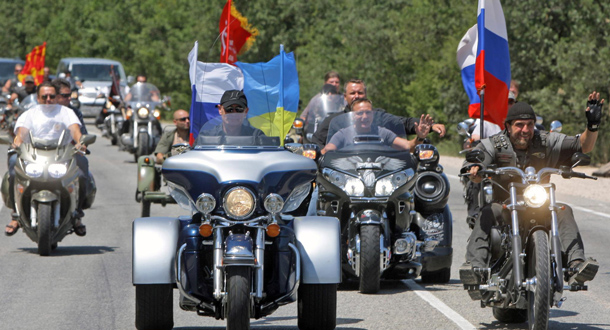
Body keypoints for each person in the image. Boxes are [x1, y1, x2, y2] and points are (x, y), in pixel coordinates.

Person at [459, 94, 604, 288]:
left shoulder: (546, 141)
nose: (525, 130)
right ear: (508, 126)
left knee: (563, 210)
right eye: (519, 125)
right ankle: (475, 268)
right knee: (486, 212)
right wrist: (475, 169)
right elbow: (475, 160)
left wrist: (592, 125)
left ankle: (575, 265)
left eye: (529, 124)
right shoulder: (495, 143)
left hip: (540, 202)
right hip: (504, 205)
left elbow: (583, 146)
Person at [5, 81, 87, 236]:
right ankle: (15, 214)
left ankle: (77, 215)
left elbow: (75, 130)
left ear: (56, 97)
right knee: (13, 169)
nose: (48, 99)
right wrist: (16, 145)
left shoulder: (66, 112)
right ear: (38, 98)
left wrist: (80, 143)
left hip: (62, 154)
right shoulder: (30, 113)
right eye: (44, 96)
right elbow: (21, 133)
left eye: (52, 96)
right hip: (33, 155)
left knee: (82, 175)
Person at [311, 79, 446, 148]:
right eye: (352, 93)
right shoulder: (335, 123)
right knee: (317, 195)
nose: (357, 96)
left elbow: (403, 123)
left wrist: (430, 127)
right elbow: (319, 146)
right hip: (344, 175)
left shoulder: (380, 121)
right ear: (345, 96)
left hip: (379, 173)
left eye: (360, 93)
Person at [321, 98, 432, 154]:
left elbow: (408, 146)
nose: (364, 116)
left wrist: (420, 137)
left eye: (368, 112)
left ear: (373, 114)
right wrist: (323, 152)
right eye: (359, 113)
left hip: (380, 181)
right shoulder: (343, 134)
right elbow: (328, 149)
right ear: (352, 116)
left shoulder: (382, 132)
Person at [195, 90, 265, 144]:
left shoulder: (257, 137)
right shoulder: (206, 137)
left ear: (246, 111)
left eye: (239, 109)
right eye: (229, 109)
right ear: (220, 109)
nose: (234, 113)